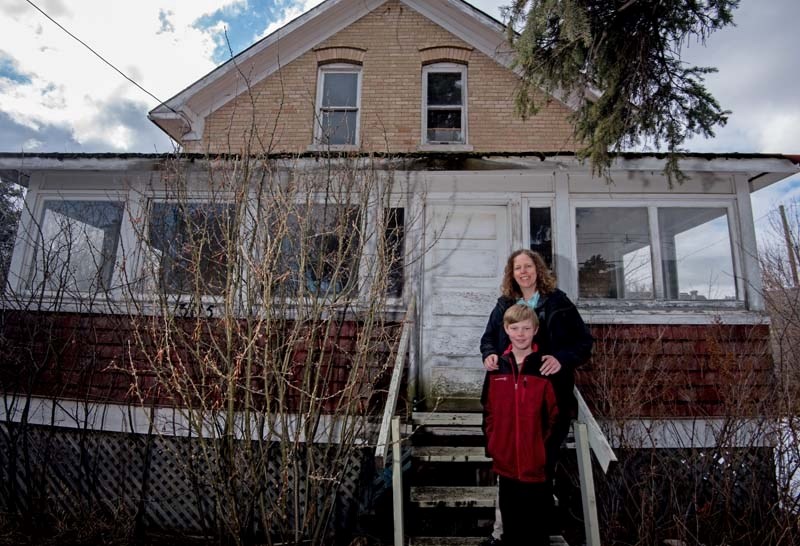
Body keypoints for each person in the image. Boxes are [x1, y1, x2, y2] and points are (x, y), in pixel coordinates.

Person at [479, 249, 593, 545]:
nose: (523, 272)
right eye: (517, 267)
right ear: (511, 272)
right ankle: (503, 534)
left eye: (528, 266)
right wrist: (490, 355)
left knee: (541, 467)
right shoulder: (505, 304)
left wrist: (561, 359)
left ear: (537, 269)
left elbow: (583, 342)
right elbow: (489, 339)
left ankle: (537, 534)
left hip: (547, 390)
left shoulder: (557, 302)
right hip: (512, 387)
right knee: (509, 473)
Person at [481, 304, 559, 546]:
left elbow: (555, 414)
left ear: (535, 330)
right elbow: (488, 410)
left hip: (536, 465)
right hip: (505, 463)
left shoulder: (544, 367)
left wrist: (544, 450)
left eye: (526, 328)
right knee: (511, 530)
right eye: (515, 328)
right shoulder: (497, 368)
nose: (521, 333)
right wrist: (493, 445)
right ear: (506, 329)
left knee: (535, 532)